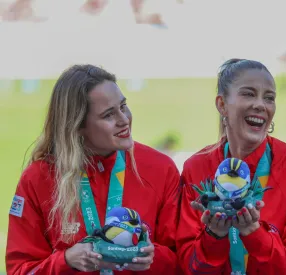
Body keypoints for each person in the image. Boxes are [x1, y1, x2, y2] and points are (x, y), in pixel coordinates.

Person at [6, 64, 181, 274]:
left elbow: (183, 260)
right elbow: (20, 270)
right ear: (77, 126)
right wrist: (66, 261)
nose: (124, 120)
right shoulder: (38, 178)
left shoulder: (160, 168)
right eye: (108, 115)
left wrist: (152, 256)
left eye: (123, 106)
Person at [176, 58, 286, 275]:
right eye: (248, 94)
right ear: (222, 104)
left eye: (269, 98)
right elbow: (188, 267)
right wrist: (214, 237)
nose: (261, 105)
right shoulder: (195, 169)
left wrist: (255, 234)